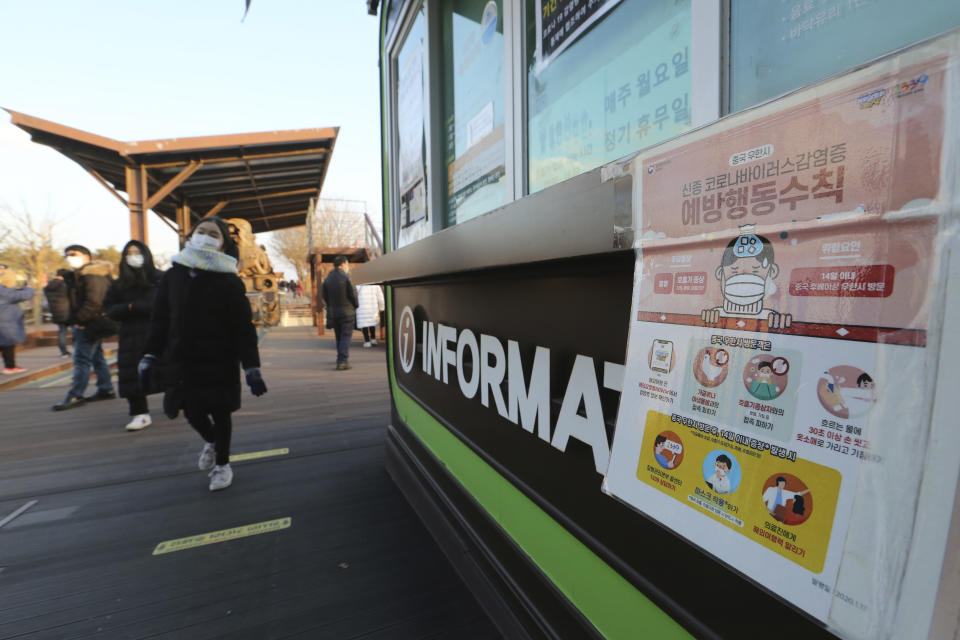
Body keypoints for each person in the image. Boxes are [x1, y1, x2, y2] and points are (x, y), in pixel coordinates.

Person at [140, 217, 267, 491]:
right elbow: (160, 319)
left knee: (221, 413)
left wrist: (252, 368)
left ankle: (222, 463)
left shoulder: (229, 281)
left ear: (222, 245)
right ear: (191, 236)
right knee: (191, 412)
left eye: (213, 235)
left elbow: (242, 328)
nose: (206, 237)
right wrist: (150, 354)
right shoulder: (173, 276)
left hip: (219, 360)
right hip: (181, 360)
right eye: (202, 232)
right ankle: (210, 441)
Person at [104, 241, 163, 431]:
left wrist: (132, 307)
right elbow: (110, 309)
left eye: (137, 252)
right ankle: (140, 413)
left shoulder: (159, 278)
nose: (133, 256)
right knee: (131, 375)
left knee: (168, 369)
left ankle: (177, 401)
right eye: (129, 253)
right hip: (131, 335)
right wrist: (130, 307)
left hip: (159, 331)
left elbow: (163, 305)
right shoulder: (119, 284)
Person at [52, 245, 116, 411]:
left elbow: (94, 303)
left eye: (74, 254)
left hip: (89, 323)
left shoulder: (92, 276)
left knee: (81, 360)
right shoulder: (85, 275)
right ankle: (106, 388)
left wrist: (77, 320)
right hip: (93, 322)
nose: (69, 257)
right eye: (67, 255)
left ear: (87, 256)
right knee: (97, 357)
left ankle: (75, 394)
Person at [322, 256, 359, 370]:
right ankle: (343, 361)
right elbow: (353, 294)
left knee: (339, 337)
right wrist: (355, 305)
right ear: (343, 264)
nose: (347, 266)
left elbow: (325, 296)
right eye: (347, 264)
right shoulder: (347, 277)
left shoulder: (327, 279)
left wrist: (330, 306)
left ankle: (340, 359)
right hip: (347, 312)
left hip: (334, 313)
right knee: (346, 336)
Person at [0, 267, 34, 374]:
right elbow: (22, 295)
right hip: (5, 322)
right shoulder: (3, 291)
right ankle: (10, 367)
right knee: (8, 345)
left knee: (5, 345)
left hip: (5, 322)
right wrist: (28, 288)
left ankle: (10, 366)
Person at [43, 269, 72, 357]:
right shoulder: (65, 285)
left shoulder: (48, 287)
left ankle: (63, 351)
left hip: (55, 311)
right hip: (67, 310)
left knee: (62, 331)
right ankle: (78, 349)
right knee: (75, 331)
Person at [356, 284, 384, 348]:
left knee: (364, 325)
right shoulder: (375, 285)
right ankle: (373, 339)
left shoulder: (358, 284)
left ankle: (367, 341)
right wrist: (382, 307)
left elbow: (354, 295)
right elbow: (380, 297)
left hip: (361, 307)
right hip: (372, 307)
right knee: (372, 323)